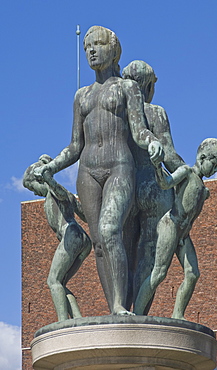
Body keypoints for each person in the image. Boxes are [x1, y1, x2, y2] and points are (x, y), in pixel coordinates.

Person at [34, 26, 164, 315]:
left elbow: (140, 130)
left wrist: (153, 143)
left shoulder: (127, 88)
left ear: (113, 49)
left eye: (97, 44)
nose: (91, 50)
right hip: (88, 172)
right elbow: (74, 145)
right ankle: (114, 306)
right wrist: (52, 167)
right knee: (99, 243)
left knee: (110, 229)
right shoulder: (81, 96)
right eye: (87, 46)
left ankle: (120, 305)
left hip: (119, 166)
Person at [134, 138, 217, 319]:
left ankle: (178, 314)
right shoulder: (186, 172)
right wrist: (157, 166)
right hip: (171, 225)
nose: (216, 170)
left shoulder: (204, 190)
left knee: (192, 274)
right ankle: (137, 314)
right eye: (214, 165)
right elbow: (165, 183)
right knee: (159, 272)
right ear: (202, 158)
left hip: (184, 234)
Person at [122, 60, 184, 313]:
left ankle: (121, 308)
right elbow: (168, 154)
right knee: (148, 255)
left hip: (124, 185)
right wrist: (188, 174)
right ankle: (140, 314)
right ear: (147, 85)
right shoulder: (155, 112)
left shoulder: (118, 114)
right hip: (152, 186)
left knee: (124, 254)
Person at [23, 154, 91, 321]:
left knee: (53, 281)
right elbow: (85, 215)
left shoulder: (54, 192)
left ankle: (62, 322)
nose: (34, 193)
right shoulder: (68, 195)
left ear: (39, 182)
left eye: (33, 188)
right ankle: (77, 318)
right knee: (60, 283)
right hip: (83, 239)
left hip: (71, 235)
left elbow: (57, 191)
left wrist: (48, 178)